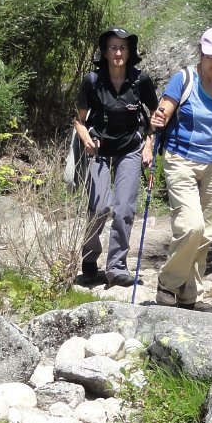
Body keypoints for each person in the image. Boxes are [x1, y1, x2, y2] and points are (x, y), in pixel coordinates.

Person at [148, 27, 212, 312]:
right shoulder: (184, 78)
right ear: (202, 52)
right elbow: (163, 112)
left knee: (207, 232)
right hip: (182, 160)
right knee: (191, 226)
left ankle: (190, 294)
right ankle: (168, 283)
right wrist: (157, 120)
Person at [74, 26, 159, 287]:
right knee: (100, 207)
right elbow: (79, 120)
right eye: (113, 47)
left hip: (130, 149)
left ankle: (116, 266)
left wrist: (148, 145)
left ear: (130, 52)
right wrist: (86, 139)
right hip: (99, 150)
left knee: (124, 209)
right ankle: (89, 255)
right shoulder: (92, 81)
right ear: (105, 52)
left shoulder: (140, 80)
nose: (118, 53)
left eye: (123, 48)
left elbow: (156, 117)